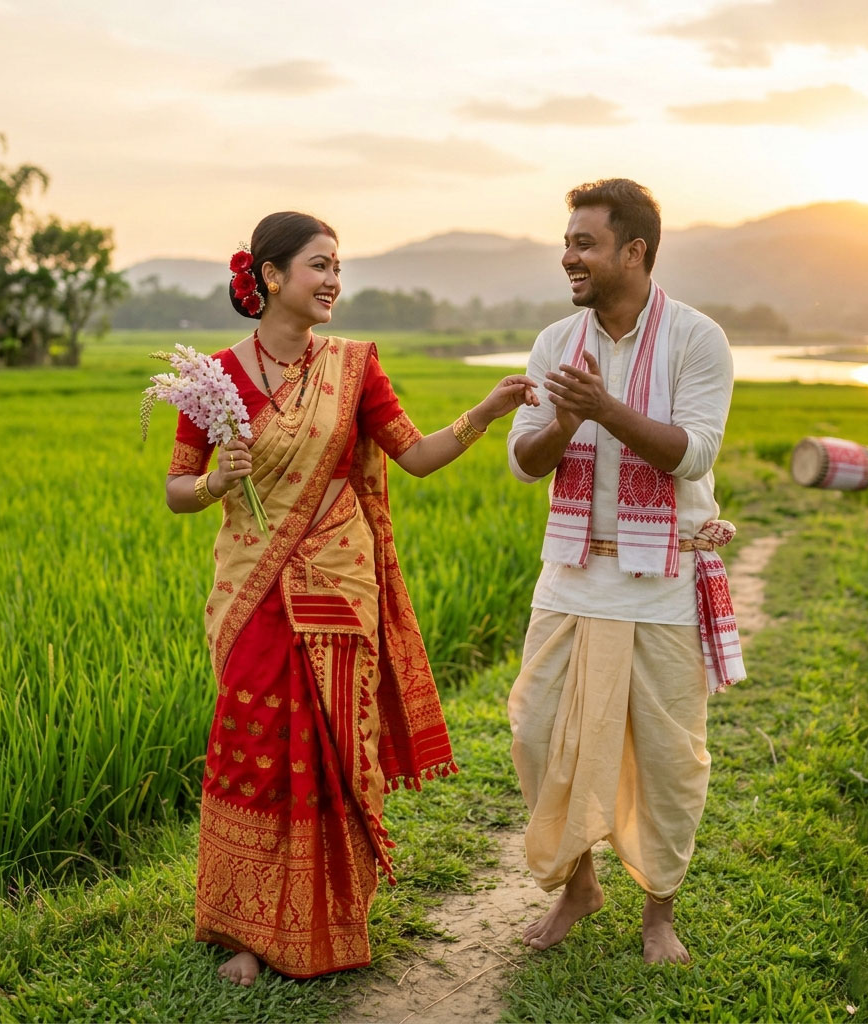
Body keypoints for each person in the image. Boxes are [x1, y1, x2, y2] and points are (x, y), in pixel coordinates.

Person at [164, 211, 537, 986]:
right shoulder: (212, 379)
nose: (335, 281)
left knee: (332, 752)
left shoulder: (356, 365)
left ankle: (329, 916)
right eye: (319, 266)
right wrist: (216, 483)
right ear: (270, 275)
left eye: (339, 267)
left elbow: (418, 457)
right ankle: (243, 929)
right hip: (251, 590)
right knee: (255, 750)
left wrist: (487, 412)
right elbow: (176, 490)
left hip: (337, 587)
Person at [506, 179, 746, 965]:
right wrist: (569, 419)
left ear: (633, 252)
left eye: (585, 242)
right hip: (571, 574)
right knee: (537, 734)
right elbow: (524, 461)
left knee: (670, 761)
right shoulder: (555, 344)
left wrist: (605, 410)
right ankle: (578, 885)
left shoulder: (697, 339)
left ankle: (658, 916)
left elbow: (694, 452)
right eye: (568, 241)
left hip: (665, 580)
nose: (568, 255)